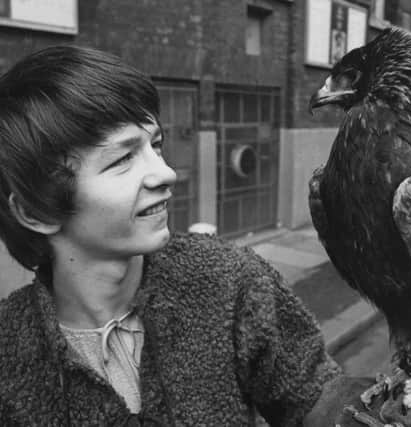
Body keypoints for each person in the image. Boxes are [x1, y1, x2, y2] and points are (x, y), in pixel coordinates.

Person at [0, 45, 341, 426]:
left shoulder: (229, 281)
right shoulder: (10, 353)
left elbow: (317, 401)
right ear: (35, 211)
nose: (165, 173)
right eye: (122, 159)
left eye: (156, 145)